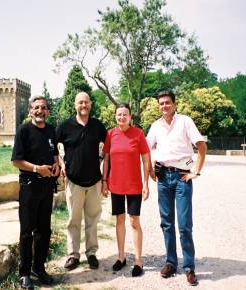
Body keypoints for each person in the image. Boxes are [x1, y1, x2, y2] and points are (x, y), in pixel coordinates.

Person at [146, 90, 207, 286]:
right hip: (163, 178)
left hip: (182, 177)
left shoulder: (185, 121)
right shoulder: (155, 126)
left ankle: (189, 266)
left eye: (167, 103)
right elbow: (144, 149)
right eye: (161, 103)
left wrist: (196, 171)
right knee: (166, 223)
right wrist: (150, 171)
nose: (164, 106)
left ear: (174, 104)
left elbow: (201, 145)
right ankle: (171, 262)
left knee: (184, 225)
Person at [11, 95, 60, 290]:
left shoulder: (50, 130)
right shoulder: (23, 130)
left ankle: (38, 268)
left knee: (44, 231)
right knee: (26, 232)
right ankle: (24, 274)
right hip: (29, 187)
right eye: (36, 108)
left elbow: (54, 152)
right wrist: (36, 169)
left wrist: (56, 165)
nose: (40, 111)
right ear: (31, 111)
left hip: (47, 187)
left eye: (44, 107)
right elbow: (16, 161)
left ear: (47, 111)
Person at [56, 91, 107, 271]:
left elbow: (107, 149)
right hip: (74, 181)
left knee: (92, 220)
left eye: (86, 102)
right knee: (73, 220)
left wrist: (104, 175)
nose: (83, 105)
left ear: (90, 104)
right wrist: (61, 163)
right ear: (75, 105)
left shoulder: (98, 126)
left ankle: (91, 253)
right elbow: (53, 145)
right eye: (80, 103)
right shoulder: (65, 126)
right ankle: (73, 255)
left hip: (94, 181)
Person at [101, 103, 151, 277]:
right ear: (115, 116)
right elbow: (106, 160)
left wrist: (146, 184)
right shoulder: (110, 134)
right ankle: (121, 257)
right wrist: (104, 181)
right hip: (115, 184)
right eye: (119, 114)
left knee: (134, 221)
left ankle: (138, 260)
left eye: (125, 115)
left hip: (134, 185)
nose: (122, 117)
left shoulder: (138, 134)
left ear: (130, 117)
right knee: (119, 220)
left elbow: (146, 160)